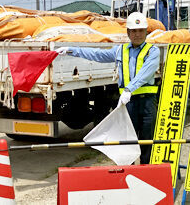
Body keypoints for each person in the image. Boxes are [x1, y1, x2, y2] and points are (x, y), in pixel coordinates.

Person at [55, 12, 160, 164]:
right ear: (128, 33)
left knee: (146, 141)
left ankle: (145, 173)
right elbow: (98, 54)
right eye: (134, 31)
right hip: (128, 104)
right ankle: (128, 174)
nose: (138, 34)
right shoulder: (120, 50)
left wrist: (129, 89)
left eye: (141, 30)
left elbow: (145, 72)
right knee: (127, 142)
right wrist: (72, 50)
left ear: (146, 32)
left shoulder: (153, 51)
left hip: (147, 103)